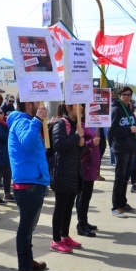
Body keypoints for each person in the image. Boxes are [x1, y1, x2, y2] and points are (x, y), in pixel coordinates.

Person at [7, 96, 49, 271]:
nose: (42, 105)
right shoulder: (22, 121)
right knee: (25, 228)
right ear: (29, 104)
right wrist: (38, 121)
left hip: (33, 180)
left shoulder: (24, 121)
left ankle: (27, 261)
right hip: (28, 183)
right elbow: (27, 142)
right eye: (39, 102)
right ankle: (24, 269)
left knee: (29, 227)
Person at [50, 103, 84, 254]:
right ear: (69, 108)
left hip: (72, 171)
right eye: (79, 106)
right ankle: (56, 240)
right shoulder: (61, 123)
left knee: (69, 207)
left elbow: (75, 150)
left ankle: (65, 236)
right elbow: (58, 145)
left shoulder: (74, 124)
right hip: (62, 172)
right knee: (60, 207)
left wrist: (82, 144)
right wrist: (77, 136)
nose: (82, 108)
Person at [107, 87, 136, 218]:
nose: (127, 97)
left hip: (131, 147)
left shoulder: (129, 110)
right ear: (119, 96)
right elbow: (112, 131)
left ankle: (123, 202)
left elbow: (133, 127)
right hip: (120, 148)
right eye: (124, 95)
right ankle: (115, 206)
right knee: (119, 177)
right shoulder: (116, 110)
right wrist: (128, 130)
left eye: (129, 95)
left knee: (126, 177)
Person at [76, 116, 101, 237]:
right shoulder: (79, 125)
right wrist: (91, 142)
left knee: (86, 196)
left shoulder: (87, 123)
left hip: (90, 166)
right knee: (83, 196)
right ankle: (81, 225)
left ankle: (84, 221)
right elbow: (79, 146)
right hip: (85, 165)